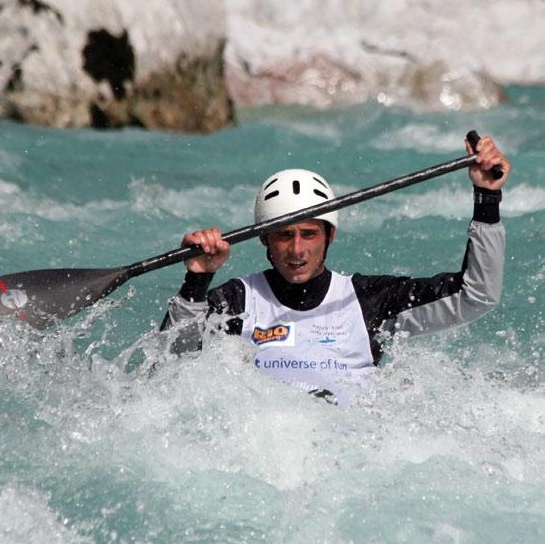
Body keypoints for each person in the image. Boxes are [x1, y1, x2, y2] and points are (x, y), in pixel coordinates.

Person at [162, 136, 511, 405]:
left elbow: (476, 295)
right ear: (264, 240)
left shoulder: (369, 300)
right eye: (284, 236)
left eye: (309, 234)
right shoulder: (238, 301)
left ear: (330, 235)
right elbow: (170, 371)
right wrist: (197, 278)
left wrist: (486, 200)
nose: (297, 250)